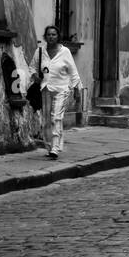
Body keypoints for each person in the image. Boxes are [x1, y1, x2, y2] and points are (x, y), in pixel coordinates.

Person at [31, 25, 81, 158]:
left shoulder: (65, 52)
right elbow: (32, 68)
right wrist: (35, 76)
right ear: (45, 37)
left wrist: (77, 89)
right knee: (47, 120)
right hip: (46, 88)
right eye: (48, 34)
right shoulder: (40, 51)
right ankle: (49, 146)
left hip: (62, 89)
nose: (51, 37)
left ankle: (55, 147)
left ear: (58, 36)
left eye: (54, 34)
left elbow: (73, 72)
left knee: (56, 117)